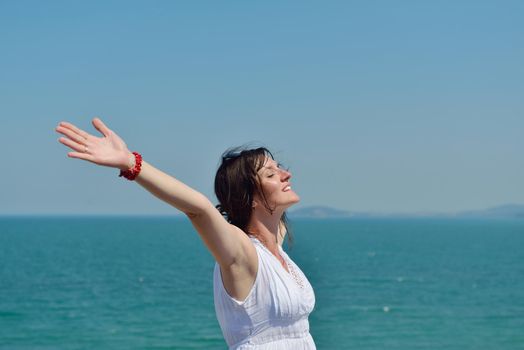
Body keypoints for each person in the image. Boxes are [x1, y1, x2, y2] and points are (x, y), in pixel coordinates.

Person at [55, 118, 316, 349]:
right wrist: (131, 163)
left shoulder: (274, 243)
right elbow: (198, 209)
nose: (286, 174)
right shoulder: (242, 253)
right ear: (250, 199)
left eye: (279, 167)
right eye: (271, 173)